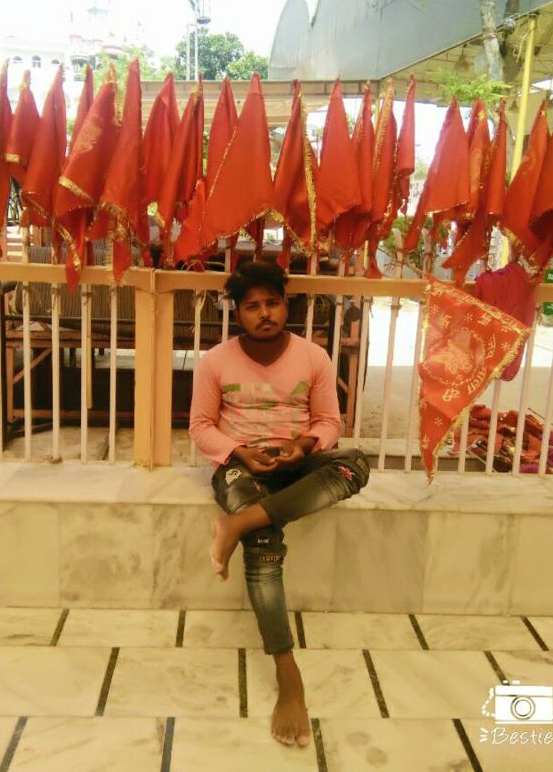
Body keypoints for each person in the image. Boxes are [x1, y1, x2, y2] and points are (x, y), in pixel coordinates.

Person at [189, 260, 369, 748]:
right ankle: (288, 674)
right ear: (237, 313)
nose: (264, 313)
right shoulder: (215, 361)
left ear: (286, 305)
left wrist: (303, 445)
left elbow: (329, 422)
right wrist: (239, 451)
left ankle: (238, 523)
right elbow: (200, 427)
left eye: (272, 303)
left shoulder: (313, 357)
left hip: (296, 459)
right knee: (264, 542)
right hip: (241, 466)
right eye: (252, 306)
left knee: (354, 465)